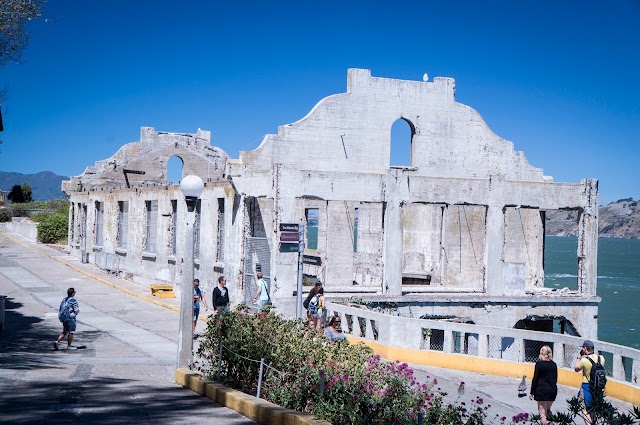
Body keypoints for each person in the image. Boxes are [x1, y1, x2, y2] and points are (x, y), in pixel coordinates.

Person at [574, 339, 605, 425]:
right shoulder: (601, 358)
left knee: (585, 410)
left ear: (585, 348)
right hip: (598, 388)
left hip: (587, 387)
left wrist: (579, 357)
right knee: (593, 409)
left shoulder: (584, 361)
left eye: (583, 348)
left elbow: (576, 368)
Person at [529, 345, 557, 425]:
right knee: (547, 410)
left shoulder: (539, 364)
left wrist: (532, 392)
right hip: (552, 390)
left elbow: (535, 379)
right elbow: (555, 379)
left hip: (542, 390)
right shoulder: (554, 364)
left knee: (542, 414)